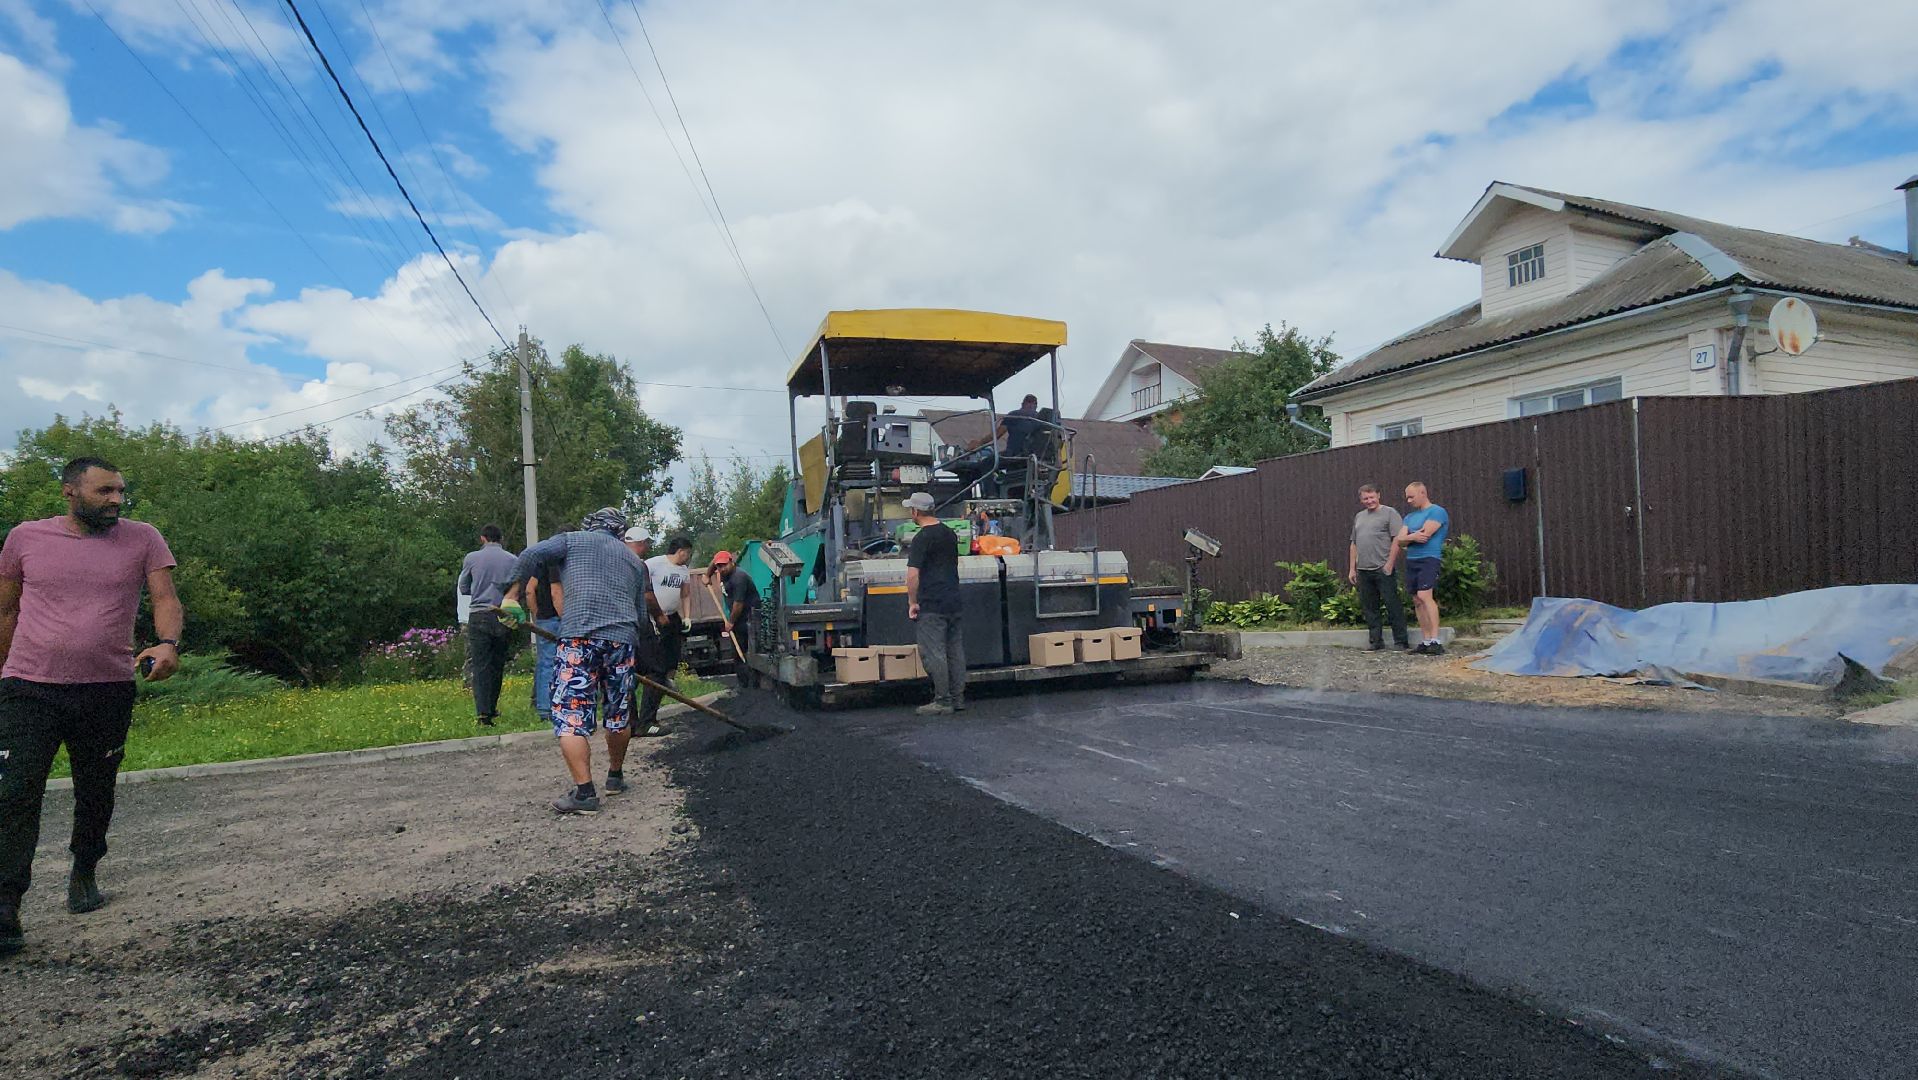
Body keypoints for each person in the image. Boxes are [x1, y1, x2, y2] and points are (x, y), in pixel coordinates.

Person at [0, 457, 183, 955]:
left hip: (106, 686)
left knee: (96, 788)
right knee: (15, 793)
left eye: (120, 491)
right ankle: (5, 905)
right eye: (105, 491)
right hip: (29, 686)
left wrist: (167, 642)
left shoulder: (143, 537)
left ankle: (84, 870)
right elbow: (7, 607)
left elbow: (165, 596)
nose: (117, 500)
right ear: (70, 492)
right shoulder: (25, 538)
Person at [501, 507, 651, 815]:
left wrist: (512, 595)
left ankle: (584, 794)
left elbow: (531, 554)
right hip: (622, 641)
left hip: (579, 639)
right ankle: (615, 777)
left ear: (590, 525)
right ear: (620, 532)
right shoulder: (635, 562)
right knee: (618, 713)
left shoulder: (572, 540)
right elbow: (641, 616)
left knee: (571, 716)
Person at [903, 492, 965, 715]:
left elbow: (912, 575)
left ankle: (942, 700)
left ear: (916, 512)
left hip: (932, 603)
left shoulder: (922, 538)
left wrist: (912, 601)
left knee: (934, 652)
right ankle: (958, 699)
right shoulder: (949, 534)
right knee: (954, 651)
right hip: (953, 600)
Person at [457, 524, 519, 726]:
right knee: (497, 663)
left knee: (481, 663)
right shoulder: (512, 559)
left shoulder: (472, 558)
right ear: (500, 538)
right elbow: (517, 585)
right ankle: (492, 707)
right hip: (502, 613)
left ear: (483, 538)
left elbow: (464, 586)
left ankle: (483, 713)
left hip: (479, 613)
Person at [635, 536, 694, 737]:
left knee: (670, 658)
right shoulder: (653, 564)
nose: (689, 557)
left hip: (670, 618)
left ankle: (668, 680)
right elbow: (643, 588)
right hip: (651, 618)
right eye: (688, 552)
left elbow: (685, 595)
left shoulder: (683, 571)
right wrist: (654, 615)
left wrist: (687, 617)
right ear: (681, 550)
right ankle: (642, 720)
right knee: (653, 666)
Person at [1347, 484, 1409, 652]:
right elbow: (1354, 543)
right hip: (1364, 569)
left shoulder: (1390, 513)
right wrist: (1352, 568)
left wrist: (1389, 563)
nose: (1369, 501)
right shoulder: (1359, 517)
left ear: (1378, 496)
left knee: (1392, 604)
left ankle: (1401, 641)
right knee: (1370, 607)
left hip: (1383, 567)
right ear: (1361, 500)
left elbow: (1397, 539)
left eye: (1372, 497)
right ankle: (1376, 641)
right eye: (1365, 498)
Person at [1396, 481, 1451, 655]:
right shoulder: (1409, 517)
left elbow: (1425, 534)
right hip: (1412, 559)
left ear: (1422, 493)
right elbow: (1400, 539)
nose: (1409, 500)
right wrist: (1412, 536)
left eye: (1411, 496)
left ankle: (1436, 640)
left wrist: (1408, 537)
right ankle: (1426, 640)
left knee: (1425, 595)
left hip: (1429, 558)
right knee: (1416, 600)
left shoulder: (1437, 511)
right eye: (1407, 497)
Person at [519, 560, 563, 725]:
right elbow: (556, 592)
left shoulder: (541, 563)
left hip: (544, 619)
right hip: (559, 618)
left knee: (545, 663)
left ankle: (544, 707)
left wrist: (537, 615)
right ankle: (553, 707)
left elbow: (530, 590)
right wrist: (564, 616)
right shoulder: (560, 564)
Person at [711, 550, 758, 659]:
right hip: (738, 619)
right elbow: (713, 563)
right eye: (719, 566)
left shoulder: (739, 577)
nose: (722, 569)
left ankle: (748, 673)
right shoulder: (723, 572)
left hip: (748, 619)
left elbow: (738, 604)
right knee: (737, 654)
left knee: (746, 652)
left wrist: (730, 622)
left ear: (731, 562)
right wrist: (707, 575)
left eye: (725, 565)